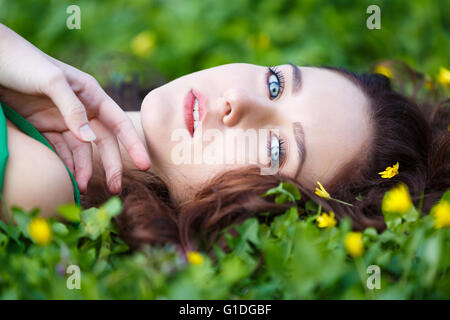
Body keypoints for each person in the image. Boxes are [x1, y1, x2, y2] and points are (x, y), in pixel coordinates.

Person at [0, 24, 448, 253]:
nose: (238, 100)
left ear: (253, 208)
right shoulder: (46, 95)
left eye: (276, 148)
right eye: (275, 84)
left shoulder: (44, 183)